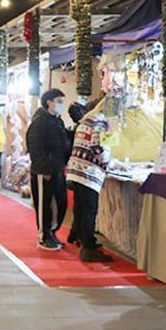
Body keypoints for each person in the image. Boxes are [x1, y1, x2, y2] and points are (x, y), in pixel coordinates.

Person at [66, 100, 112, 262]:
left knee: (80, 206)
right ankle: (88, 248)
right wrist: (109, 162)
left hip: (77, 168)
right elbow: (97, 146)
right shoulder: (100, 121)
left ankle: (77, 235)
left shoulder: (86, 119)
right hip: (88, 171)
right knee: (89, 209)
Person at [26, 88, 71, 251]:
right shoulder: (39, 122)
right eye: (59, 102)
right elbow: (35, 147)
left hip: (58, 169)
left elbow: (64, 143)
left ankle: (52, 232)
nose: (61, 105)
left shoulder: (57, 121)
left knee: (60, 203)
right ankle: (44, 235)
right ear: (49, 102)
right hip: (44, 172)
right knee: (44, 204)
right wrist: (43, 169)